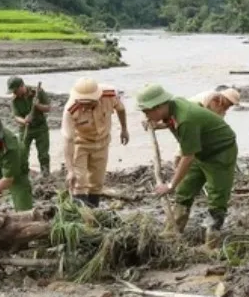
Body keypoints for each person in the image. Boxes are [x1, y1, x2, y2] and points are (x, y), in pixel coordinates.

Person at [137, 84, 239, 232]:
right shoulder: (172, 108)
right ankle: (173, 232)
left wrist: (170, 185)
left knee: (217, 197)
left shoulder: (186, 118)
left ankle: (212, 243)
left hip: (220, 152)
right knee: (184, 190)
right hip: (200, 151)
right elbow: (173, 123)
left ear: (158, 107)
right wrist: (157, 125)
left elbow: (187, 156)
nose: (146, 116)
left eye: (147, 112)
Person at [62, 78, 129, 207]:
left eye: (90, 103)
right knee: (78, 180)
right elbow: (68, 140)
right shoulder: (70, 109)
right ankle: (81, 214)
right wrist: (70, 170)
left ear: (97, 97)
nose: (85, 106)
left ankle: (93, 211)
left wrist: (124, 129)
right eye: (83, 103)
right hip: (80, 144)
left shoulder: (109, 96)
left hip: (102, 143)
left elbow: (121, 109)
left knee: (97, 181)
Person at [8, 76, 52, 177]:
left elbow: (48, 108)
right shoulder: (14, 100)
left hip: (41, 128)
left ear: (21, 87)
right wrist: (24, 121)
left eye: (15, 90)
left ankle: (45, 175)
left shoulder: (37, 92)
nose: (14, 93)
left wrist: (38, 105)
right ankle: (23, 174)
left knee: (43, 154)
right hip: (25, 129)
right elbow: (16, 116)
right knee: (22, 153)